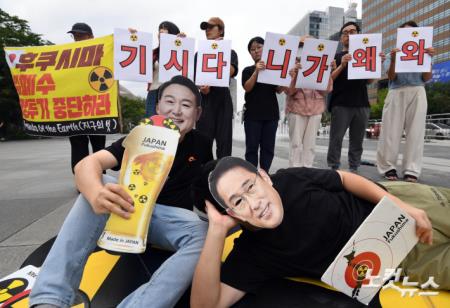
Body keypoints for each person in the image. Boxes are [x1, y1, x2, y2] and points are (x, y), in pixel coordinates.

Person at [30, 76, 213, 308]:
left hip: (168, 222)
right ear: (157, 108)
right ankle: (50, 298)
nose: (176, 111)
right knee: (102, 182)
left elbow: (206, 184)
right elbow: (86, 165)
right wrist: (97, 193)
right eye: (169, 101)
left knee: (203, 230)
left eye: (186, 105)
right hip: (128, 210)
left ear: (197, 114)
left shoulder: (202, 143)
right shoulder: (139, 136)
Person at [191, 156, 449, 307]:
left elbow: (345, 179)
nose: (254, 202)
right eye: (237, 202)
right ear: (231, 216)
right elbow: (205, 306)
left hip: (395, 200)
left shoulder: (290, 179)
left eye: (250, 186)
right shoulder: (253, 255)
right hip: (398, 254)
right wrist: (216, 230)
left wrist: (400, 205)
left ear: (263, 176)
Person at [376, 20, 435, 183]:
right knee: (390, 132)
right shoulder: (390, 54)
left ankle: (412, 169)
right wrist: (394, 59)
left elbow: (427, 77)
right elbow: (391, 77)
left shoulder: (425, 53)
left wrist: (428, 59)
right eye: (404, 32)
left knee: (416, 132)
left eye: (411, 32)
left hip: (418, 90)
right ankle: (388, 167)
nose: (408, 35)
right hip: (396, 91)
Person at [327, 22, 385, 173]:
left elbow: (370, 81)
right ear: (341, 39)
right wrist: (342, 65)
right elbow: (328, 80)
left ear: (359, 34)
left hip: (361, 103)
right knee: (336, 138)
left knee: (357, 139)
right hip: (340, 103)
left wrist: (377, 63)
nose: (349, 35)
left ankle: (354, 167)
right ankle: (334, 167)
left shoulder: (365, 56)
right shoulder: (335, 57)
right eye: (345, 33)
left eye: (353, 31)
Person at [285, 38, 333, 167]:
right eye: (303, 45)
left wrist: (327, 72)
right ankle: (294, 173)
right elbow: (289, 91)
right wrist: (294, 75)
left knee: (310, 145)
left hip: (316, 109)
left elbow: (326, 90)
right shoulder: (290, 62)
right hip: (296, 108)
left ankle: (307, 172)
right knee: (295, 144)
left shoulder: (322, 62)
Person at [197, 17, 239, 159]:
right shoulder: (199, 54)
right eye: (205, 28)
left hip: (223, 99)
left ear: (220, 30)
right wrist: (202, 87)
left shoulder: (230, 52)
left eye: (211, 27)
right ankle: (203, 174)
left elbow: (231, 71)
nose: (207, 30)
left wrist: (218, 51)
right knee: (203, 141)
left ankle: (223, 174)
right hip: (204, 98)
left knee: (224, 142)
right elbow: (195, 77)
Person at [67, 23, 106, 173]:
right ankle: (81, 178)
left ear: (91, 36)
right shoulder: (67, 54)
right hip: (75, 108)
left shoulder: (103, 52)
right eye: (75, 36)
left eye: (81, 35)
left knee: (98, 145)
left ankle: (99, 175)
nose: (77, 39)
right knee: (78, 145)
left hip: (97, 107)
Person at [241, 36, 282, 172]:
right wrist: (256, 72)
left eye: (259, 47)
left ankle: (265, 173)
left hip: (271, 115)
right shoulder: (247, 70)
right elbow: (247, 87)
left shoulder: (274, 69)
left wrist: (288, 76)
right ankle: (252, 174)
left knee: (268, 148)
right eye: (252, 49)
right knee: (251, 148)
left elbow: (280, 90)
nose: (256, 51)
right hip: (252, 116)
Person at [145, 21, 181, 117]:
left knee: (171, 126)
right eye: (160, 33)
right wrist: (132, 37)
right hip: (154, 92)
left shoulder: (180, 52)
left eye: (165, 33)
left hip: (173, 93)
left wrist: (183, 42)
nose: (161, 35)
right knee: (152, 124)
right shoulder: (153, 53)